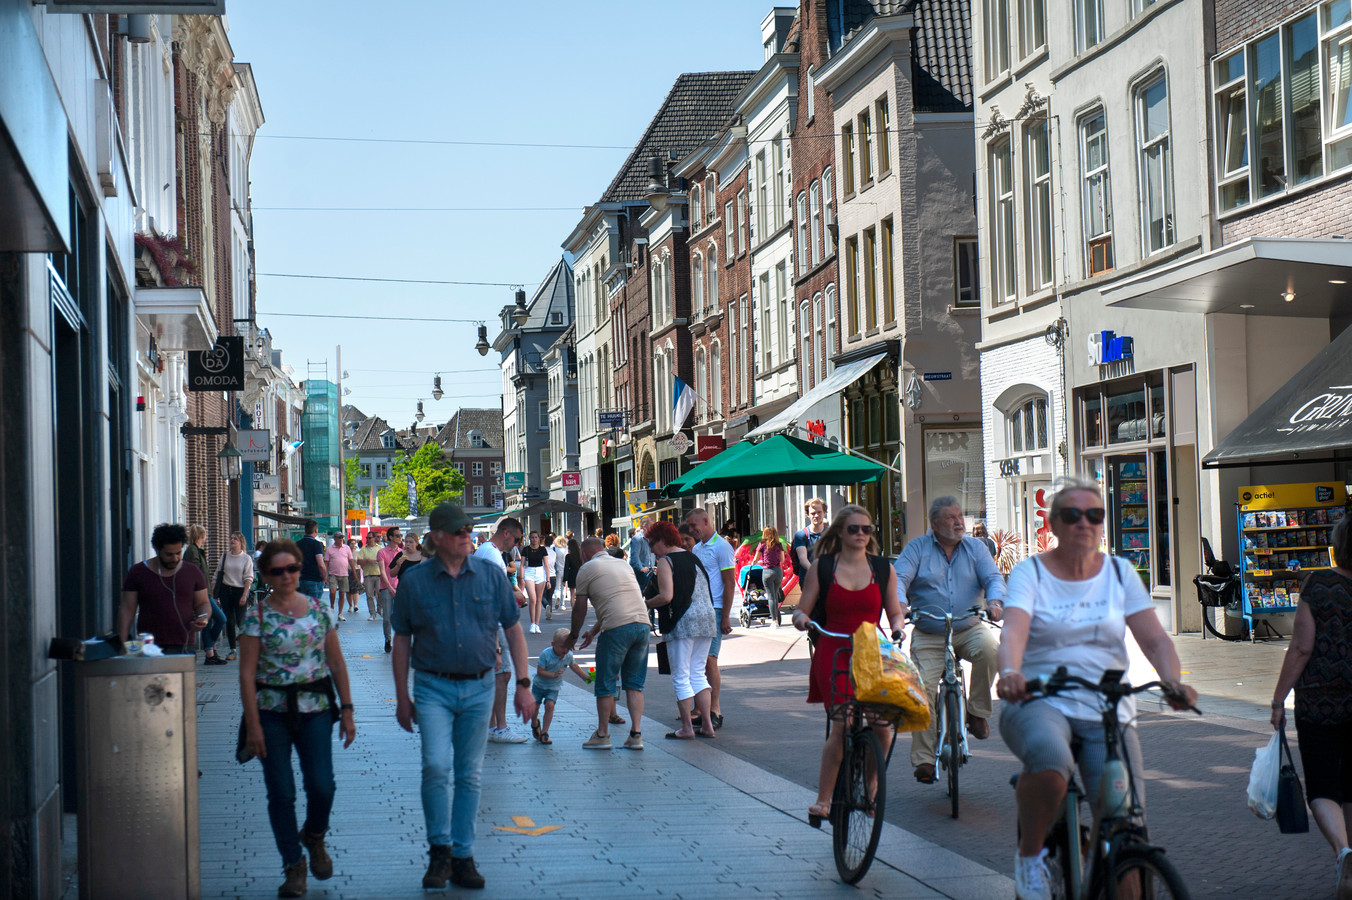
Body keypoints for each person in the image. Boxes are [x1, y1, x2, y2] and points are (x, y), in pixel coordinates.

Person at [996, 478, 1196, 900]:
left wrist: (1173, 681)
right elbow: (1013, 631)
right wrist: (1011, 671)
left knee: (1126, 827)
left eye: (1095, 515)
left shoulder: (1120, 573)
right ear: (1053, 523)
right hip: (1038, 698)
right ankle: (1030, 858)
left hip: (1107, 708)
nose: (1084, 523)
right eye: (1072, 515)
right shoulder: (1030, 573)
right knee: (1052, 763)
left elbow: (1156, 640)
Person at [391, 502, 535, 891]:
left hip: (479, 686)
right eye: (458, 532)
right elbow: (401, 639)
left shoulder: (489, 575)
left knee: (469, 774)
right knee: (436, 766)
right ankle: (439, 851)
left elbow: (514, 629)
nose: (465, 537)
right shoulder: (416, 582)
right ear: (437, 538)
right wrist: (402, 697)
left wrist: (523, 684)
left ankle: (463, 853)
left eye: (467, 531)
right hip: (433, 686)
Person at [239, 539, 355, 899]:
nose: (287, 576)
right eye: (278, 571)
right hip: (272, 711)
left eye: (292, 568)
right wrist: (253, 725)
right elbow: (245, 674)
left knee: (322, 785)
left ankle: (315, 835)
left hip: (316, 708)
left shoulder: (320, 610)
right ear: (265, 575)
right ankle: (293, 865)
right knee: (281, 792)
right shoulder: (257, 616)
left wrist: (348, 710)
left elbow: (336, 662)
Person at [791, 505, 905, 823]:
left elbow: (894, 611)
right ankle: (824, 800)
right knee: (841, 724)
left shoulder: (883, 569)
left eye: (866, 529)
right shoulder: (823, 567)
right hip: (834, 648)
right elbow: (803, 608)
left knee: (882, 727)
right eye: (853, 529)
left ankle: (871, 786)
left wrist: (898, 626)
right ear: (840, 532)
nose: (860, 534)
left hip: (872, 649)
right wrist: (802, 619)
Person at [894, 496, 1006, 784]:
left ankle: (977, 713)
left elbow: (993, 577)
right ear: (934, 523)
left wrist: (994, 603)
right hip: (930, 633)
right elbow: (899, 579)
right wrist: (900, 605)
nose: (959, 522)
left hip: (969, 626)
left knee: (992, 650)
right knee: (922, 688)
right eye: (951, 517)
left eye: (960, 516)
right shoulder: (917, 548)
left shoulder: (976, 548)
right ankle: (924, 760)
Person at [1270, 514, 1352, 899]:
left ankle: (1342, 850)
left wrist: (1277, 699)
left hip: (1320, 702)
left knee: (1322, 785)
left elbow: (1301, 647)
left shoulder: (1318, 584)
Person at [568, 537, 651, 750]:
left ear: (585, 554)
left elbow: (580, 608)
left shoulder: (587, 568)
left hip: (615, 630)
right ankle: (636, 735)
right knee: (634, 684)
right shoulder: (622, 564)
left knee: (604, 683)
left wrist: (574, 635)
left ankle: (603, 735)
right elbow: (618, 602)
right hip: (642, 625)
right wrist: (593, 631)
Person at [645, 520, 718, 740]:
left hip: (683, 623)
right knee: (698, 673)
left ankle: (687, 727)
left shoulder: (667, 560)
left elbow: (666, 596)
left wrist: (644, 604)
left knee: (681, 676)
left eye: (651, 543)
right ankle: (707, 725)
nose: (650, 549)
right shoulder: (693, 556)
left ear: (662, 540)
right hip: (706, 620)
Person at [474, 518, 530, 744]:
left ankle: (491, 726)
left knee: (497, 674)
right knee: (503, 674)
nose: (516, 545)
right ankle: (499, 727)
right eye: (516, 539)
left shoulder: (488, 551)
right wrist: (513, 595)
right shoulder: (491, 554)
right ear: (506, 533)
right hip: (493, 622)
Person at [118, 523, 210, 653]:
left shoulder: (192, 572)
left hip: (184, 646)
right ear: (156, 549)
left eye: (178, 553)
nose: (175, 558)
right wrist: (122, 644)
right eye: (169, 554)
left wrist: (203, 617)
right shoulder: (138, 572)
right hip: (148, 646)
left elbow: (203, 602)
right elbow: (127, 609)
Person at [685, 508, 736, 731]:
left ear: (706, 521)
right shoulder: (697, 548)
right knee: (698, 661)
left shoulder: (722, 547)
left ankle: (715, 710)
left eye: (693, 525)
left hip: (714, 609)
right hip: (699, 608)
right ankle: (701, 710)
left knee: (710, 660)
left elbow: (729, 582)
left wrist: (725, 615)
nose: (691, 529)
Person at [529, 627, 591, 744]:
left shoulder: (568, 655)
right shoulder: (546, 654)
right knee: (534, 707)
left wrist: (584, 677)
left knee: (550, 706)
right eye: (562, 646)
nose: (565, 650)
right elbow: (539, 671)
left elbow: (573, 665)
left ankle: (545, 732)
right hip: (539, 685)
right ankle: (534, 723)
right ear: (553, 644)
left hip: (553, 687)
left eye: (568, 647)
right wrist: (552, 674)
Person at [213, 532, 255, 661]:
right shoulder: (225, 557)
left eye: (235, 539)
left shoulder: (246, 558)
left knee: (240, 621)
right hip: (226, 590)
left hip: (240, 590)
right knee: (229, 621)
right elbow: (217, 574)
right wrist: (214, 594)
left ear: (240, 542)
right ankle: (233, 650)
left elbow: (248, 578)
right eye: (231, 538)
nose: (232, 541)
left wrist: (244, 595)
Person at [751, 525, 787, 627]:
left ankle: (774, 620)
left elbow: (755, 559)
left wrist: (752, 564)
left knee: (771, 597)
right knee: (775, 595)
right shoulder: (778, 544)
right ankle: (776, 619)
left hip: (767, 572)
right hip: (777, 571)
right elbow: (782, 559)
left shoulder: (762, 544)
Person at [377, 527, 404, 654]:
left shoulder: (402, 552)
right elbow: (382, 571)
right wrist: (389, 586)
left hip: (400, 587)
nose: (400, 537)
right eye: (398, 535)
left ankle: (400, 642)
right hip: (386, 587)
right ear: (391, 537)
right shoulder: (382, 552)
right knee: (387, 617)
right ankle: (388, 640)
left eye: (401, 535)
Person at [792, 498, 828, 583]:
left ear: (824, 513)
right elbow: (802, 558)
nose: (816, 515)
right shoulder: (801, 535)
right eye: (813, 513)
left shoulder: (832, 533)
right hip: (808, 579)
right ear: (807, 515)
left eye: (819, 512)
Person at [521, 531, 550, 634]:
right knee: (532, 598)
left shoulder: (543, 549)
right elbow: (522, 565)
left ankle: (537, 624)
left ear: (539, 538)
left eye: (536, 537)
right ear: (530, 539)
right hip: (529, 572)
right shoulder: (526, 549)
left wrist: (548, 579)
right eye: (532, 537)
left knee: (538, 599)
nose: (534, 539)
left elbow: (546, 564)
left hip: (540, 572)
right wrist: (522, 578)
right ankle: (532, 623)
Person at [296, 521, 327, 604]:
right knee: (314, 608)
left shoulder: (297, 544)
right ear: (316, 530)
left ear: (305, 530)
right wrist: (324, 577)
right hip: (314, 579)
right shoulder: (316, 544)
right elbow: (320, 564)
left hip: (301, 579)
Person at [324, 534, 352, 622]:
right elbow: (326, 562)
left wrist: (354, 573)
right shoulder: (329, 549)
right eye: (339, 537)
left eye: (342, 537)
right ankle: (332, 605)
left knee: (342, 593)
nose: (341, 539)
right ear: (335, 538)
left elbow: (350, 560)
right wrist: (324, 575)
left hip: (344, 574)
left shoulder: (347, 548)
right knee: (332, 591)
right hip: (333, 574)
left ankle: (340, 613)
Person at [357, 531, 383, 622]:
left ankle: (380, 609)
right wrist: (367, 561)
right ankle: (372, 613)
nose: (368, 539)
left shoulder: (380, 548)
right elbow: (358, 561)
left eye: (369, 538)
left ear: (374, 538)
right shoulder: (363, 549)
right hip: (368, 575)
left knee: (380, 593)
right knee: (369, 594)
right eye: (367, 538)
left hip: (379, 574)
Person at [628, 520, 656, 590]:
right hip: (641, 573)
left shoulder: (650, 539)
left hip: (650, 572)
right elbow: (634, 556)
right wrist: (641, 568)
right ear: (644, 527)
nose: (653, 529)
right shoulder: (637, 539)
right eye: (651, 527)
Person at [547, 535, 567, 621]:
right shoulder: (566, 549)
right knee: (563, 587)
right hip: (565, 570)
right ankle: (562, 604)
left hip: (556, 570)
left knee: (557, 587)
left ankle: (556, 596)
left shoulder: (554, 549)